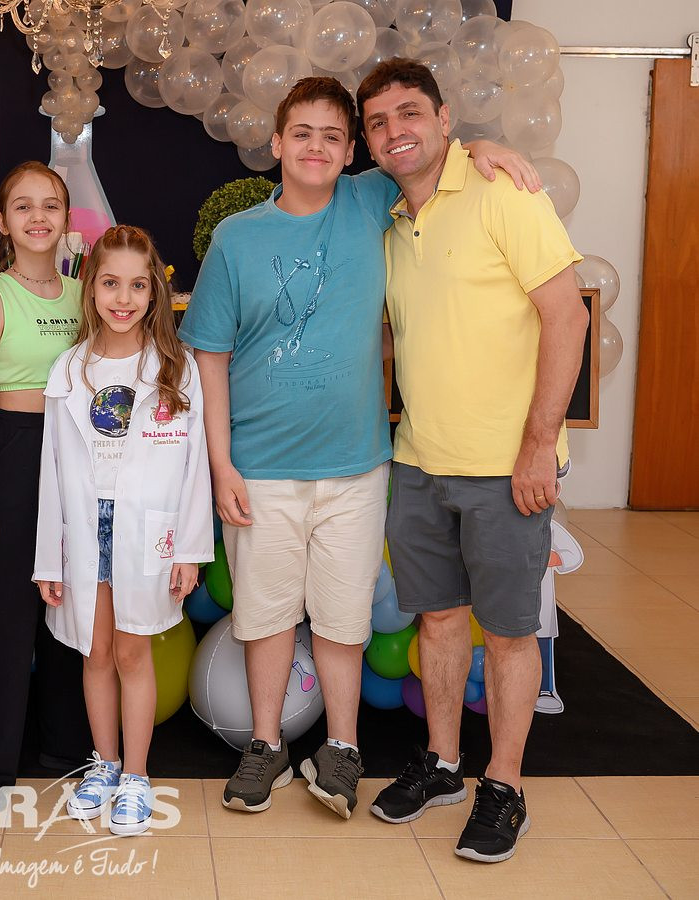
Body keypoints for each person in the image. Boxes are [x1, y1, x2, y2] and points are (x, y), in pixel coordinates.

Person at [179, 77, 538, 820]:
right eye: (301, 133)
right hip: (260, 467)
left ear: (350, 154)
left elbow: (429, 155)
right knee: (265, 615)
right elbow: (208, 355)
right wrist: (220, 465)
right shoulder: (237, 238)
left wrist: (483, 147)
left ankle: (342, 748)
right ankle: (267, 746)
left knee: (343, 618)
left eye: (333, 136)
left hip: (356, 467)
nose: (316, 147)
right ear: (276, 144)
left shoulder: (371, 201)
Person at [357, 58, 587, 863]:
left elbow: (567, 317)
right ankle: (444, 765)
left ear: (445, 118)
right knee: (439, 621)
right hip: (420, 459)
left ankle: (506, 785)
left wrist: (538, 446)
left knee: (512, 633)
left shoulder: (504, 192)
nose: (396, 131)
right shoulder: (390, 222)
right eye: (379, 122)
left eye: (410, 113)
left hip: (507, 466)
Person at [34, 224, 213, 836]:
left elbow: (194, 466)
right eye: (111, 283)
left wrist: (190, 550)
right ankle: (104, 763)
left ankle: (136, 775)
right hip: (86, 529)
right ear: (90, 287)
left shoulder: (176, 368)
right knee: (96, 651)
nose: (124, 298)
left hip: (147, 530)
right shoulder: (69, 370)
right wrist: (48, 559)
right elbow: (52, 472)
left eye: (138, 285)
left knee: (134, 652)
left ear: (154, 292)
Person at [0, 161, 91, 812]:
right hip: (12, 453)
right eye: (24, 206)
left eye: (51, 205)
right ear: (3, 222)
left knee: (70, 610)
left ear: (66, 219)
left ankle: (68, 750)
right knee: (6, 620)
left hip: (78, 457)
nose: (39, 217)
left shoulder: (85, 295)